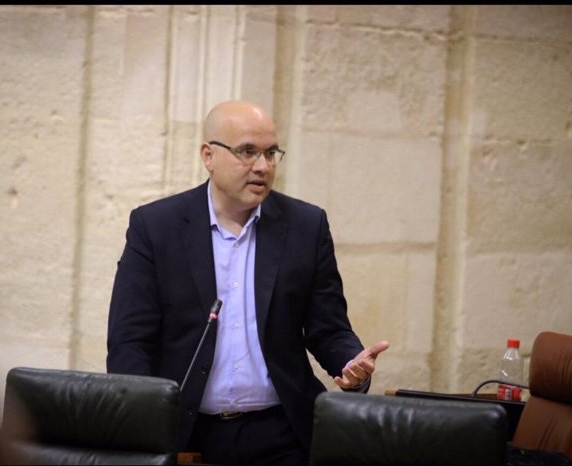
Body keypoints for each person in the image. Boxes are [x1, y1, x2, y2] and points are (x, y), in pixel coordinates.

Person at [106, 100, 389, 465]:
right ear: (208, 155)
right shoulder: (156, 227)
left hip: (283, 433)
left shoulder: (305, 226)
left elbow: (328, 328)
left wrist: (351, 365)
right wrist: (143, 428)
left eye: (271, 153)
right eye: (247, 152)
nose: (262, 166)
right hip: (187, 433)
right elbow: (130, 342)